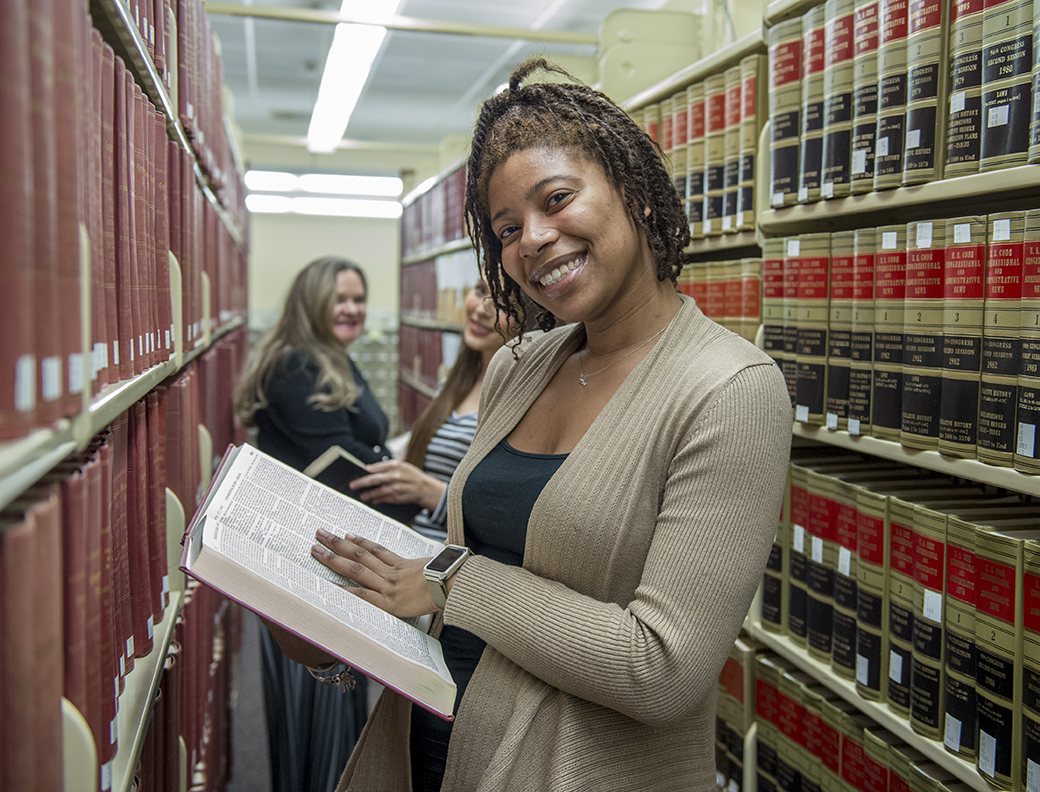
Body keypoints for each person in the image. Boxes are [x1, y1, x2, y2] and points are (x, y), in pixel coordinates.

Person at [279, 58, 793, 792]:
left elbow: (661, 668)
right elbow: (462, 573)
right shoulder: (519, 363)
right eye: (507, 228)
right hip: (433, 746)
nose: (534, 240)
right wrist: (334, 624)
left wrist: (452, 583)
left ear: (637, 194)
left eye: (557, 200)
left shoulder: (729, 390)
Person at [233, 256, 388, 792]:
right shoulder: (296, 365)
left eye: (358, 299)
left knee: (338, 713)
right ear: (311, 302)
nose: (351, 309)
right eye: (339, 299)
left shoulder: (334, 358)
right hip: (303, 564)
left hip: (331, 555)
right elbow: (341, 458)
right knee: (316, 711)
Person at [346, 278, 519, 542]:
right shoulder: (453, 383)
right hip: (406, 535)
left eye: (504, 304)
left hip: (447, 559)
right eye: (481, 290)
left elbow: (508, 521)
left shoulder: (521, 402)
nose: (482, 308)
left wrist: (429, 492)